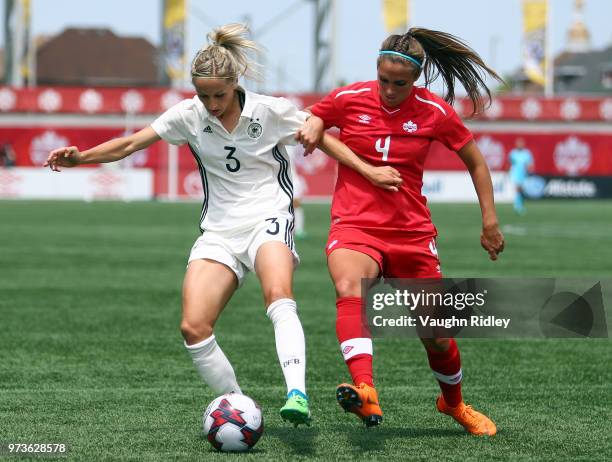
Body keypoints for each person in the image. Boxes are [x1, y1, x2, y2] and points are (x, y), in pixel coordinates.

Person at [44, 24, 402, 428]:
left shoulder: (270, 110)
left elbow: (321, 137)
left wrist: (369, 171)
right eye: (203, 94)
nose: (211, 103)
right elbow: (131, 143)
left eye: (219, 94)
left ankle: (296, 394)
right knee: (193, 326)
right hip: (218, 231)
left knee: (278, 294)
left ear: (235, 84)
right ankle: (237, 406)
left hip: (269, 217)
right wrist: (82, 158)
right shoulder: (188, 115)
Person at [296, 27, 505, 435]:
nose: (390, 90)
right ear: (375, 71)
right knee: (349, 287)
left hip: (411, 233)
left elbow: (476, 162)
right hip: (355, 224)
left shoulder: (435, 111)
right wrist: (313, 125)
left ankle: (454, 403)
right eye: (384, 81)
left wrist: (490, 220)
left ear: (416, 79)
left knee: (438, 337)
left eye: (400, 83)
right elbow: (315, 119)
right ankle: (366, 389)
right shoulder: (348, 98)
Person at [508, 137, 534, 214]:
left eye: (521, 143)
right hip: (515, 174)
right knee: (518, 189)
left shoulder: (527, 153)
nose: (520, 145)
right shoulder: (513, 153)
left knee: (521, 190)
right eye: (518, 143)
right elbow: (509, 163)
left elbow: (530, 164)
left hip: (523, 174)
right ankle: (518, 206)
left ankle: (519, 204)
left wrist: (530, 170)